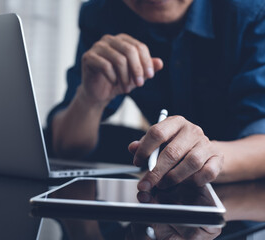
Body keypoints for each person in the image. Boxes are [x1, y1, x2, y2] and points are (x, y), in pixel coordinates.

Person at [47, 0, 265, 191]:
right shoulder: (101, 13)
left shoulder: (252, 11)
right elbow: (66, 148)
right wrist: (89, 99)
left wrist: (206, 156)